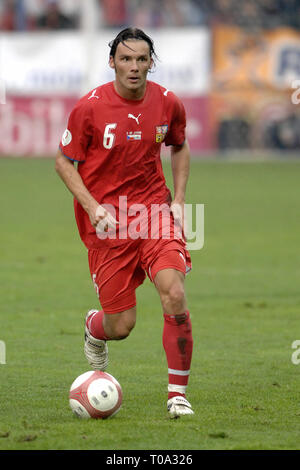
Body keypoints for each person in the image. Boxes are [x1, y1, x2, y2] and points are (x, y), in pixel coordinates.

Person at [55, 27, 194, 418]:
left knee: (174, 293)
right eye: (125, 58)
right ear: (112, 61)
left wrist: (179, 201)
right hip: (109, 226)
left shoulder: (168, 103)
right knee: (121, 326)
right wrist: (92, 205)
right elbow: (64, 162)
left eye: (141, 59)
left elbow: (179, 145)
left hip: (153, 212)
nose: (133, 67)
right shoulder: (90, 107)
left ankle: (177, 396)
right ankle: (94, 325)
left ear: (152, 62)